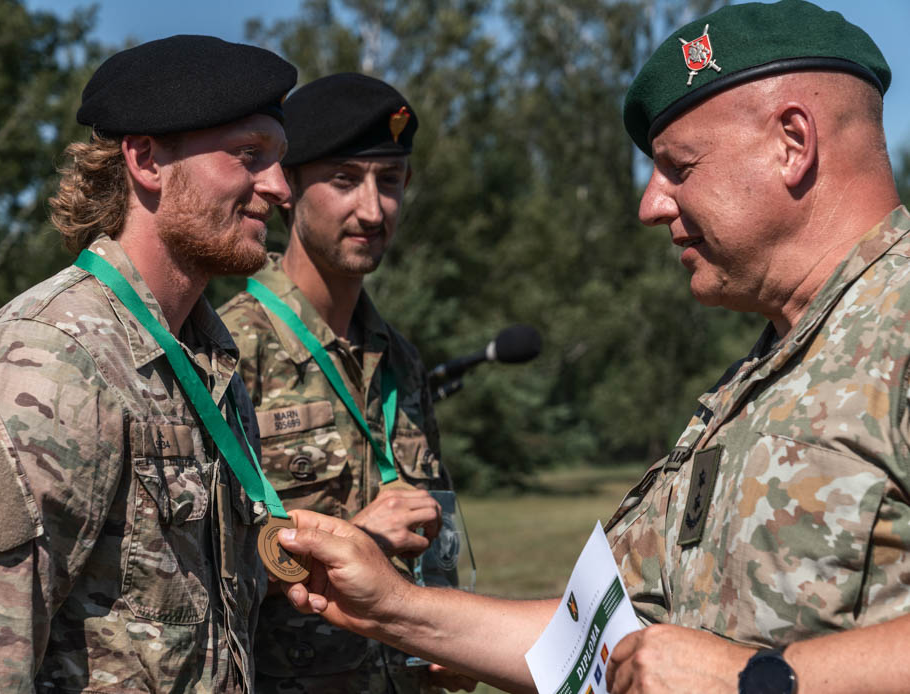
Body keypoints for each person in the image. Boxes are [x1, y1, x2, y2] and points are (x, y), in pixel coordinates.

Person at [273, 2, 910, 693]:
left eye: (679, 167)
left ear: (792, 141)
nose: (650, 204)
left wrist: (761, 681)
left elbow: (727, 675)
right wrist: (398, 609)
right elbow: (594, 639)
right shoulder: (756, 380)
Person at [0, 35, 296, 693]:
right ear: (146, 160)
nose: (282, 187)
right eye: (248, 156)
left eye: (281, 161)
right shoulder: (50, 361)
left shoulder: (209, 365)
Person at [218, 73, 472, 694]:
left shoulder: (399, 360)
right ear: (288, 188)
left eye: (389, 181)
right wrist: (356, 537)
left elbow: (434, 528)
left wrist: (453, 636)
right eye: (343, 179)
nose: (371, 208)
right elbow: (195, 570)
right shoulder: (228, 351)